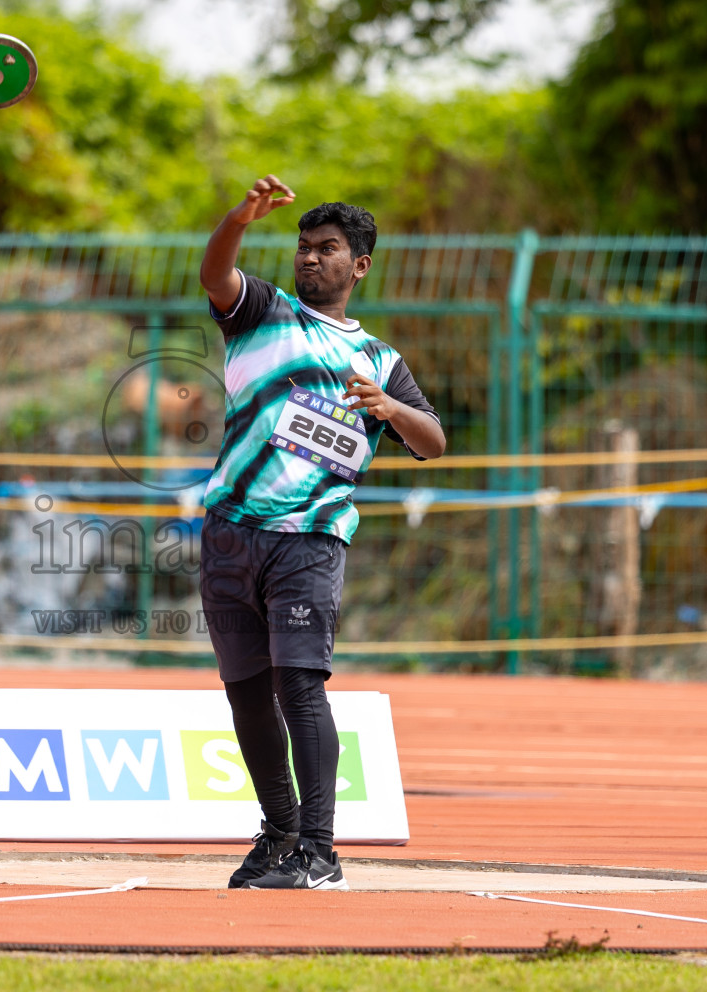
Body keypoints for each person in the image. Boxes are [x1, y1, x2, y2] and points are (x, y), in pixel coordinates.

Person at [197, 175, 446, 889]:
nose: (310, 259)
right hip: (230, 534)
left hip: (310, 539)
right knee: (245, 690)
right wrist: (240, 217)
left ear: (358, 265)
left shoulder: (380, 361)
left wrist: (390, 411)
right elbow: (216, 273)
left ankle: (320, 851)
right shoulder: (265, 312)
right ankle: (277, 834)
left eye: (327, 249)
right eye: (304, 247)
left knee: (298, 687)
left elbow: (432, 442)